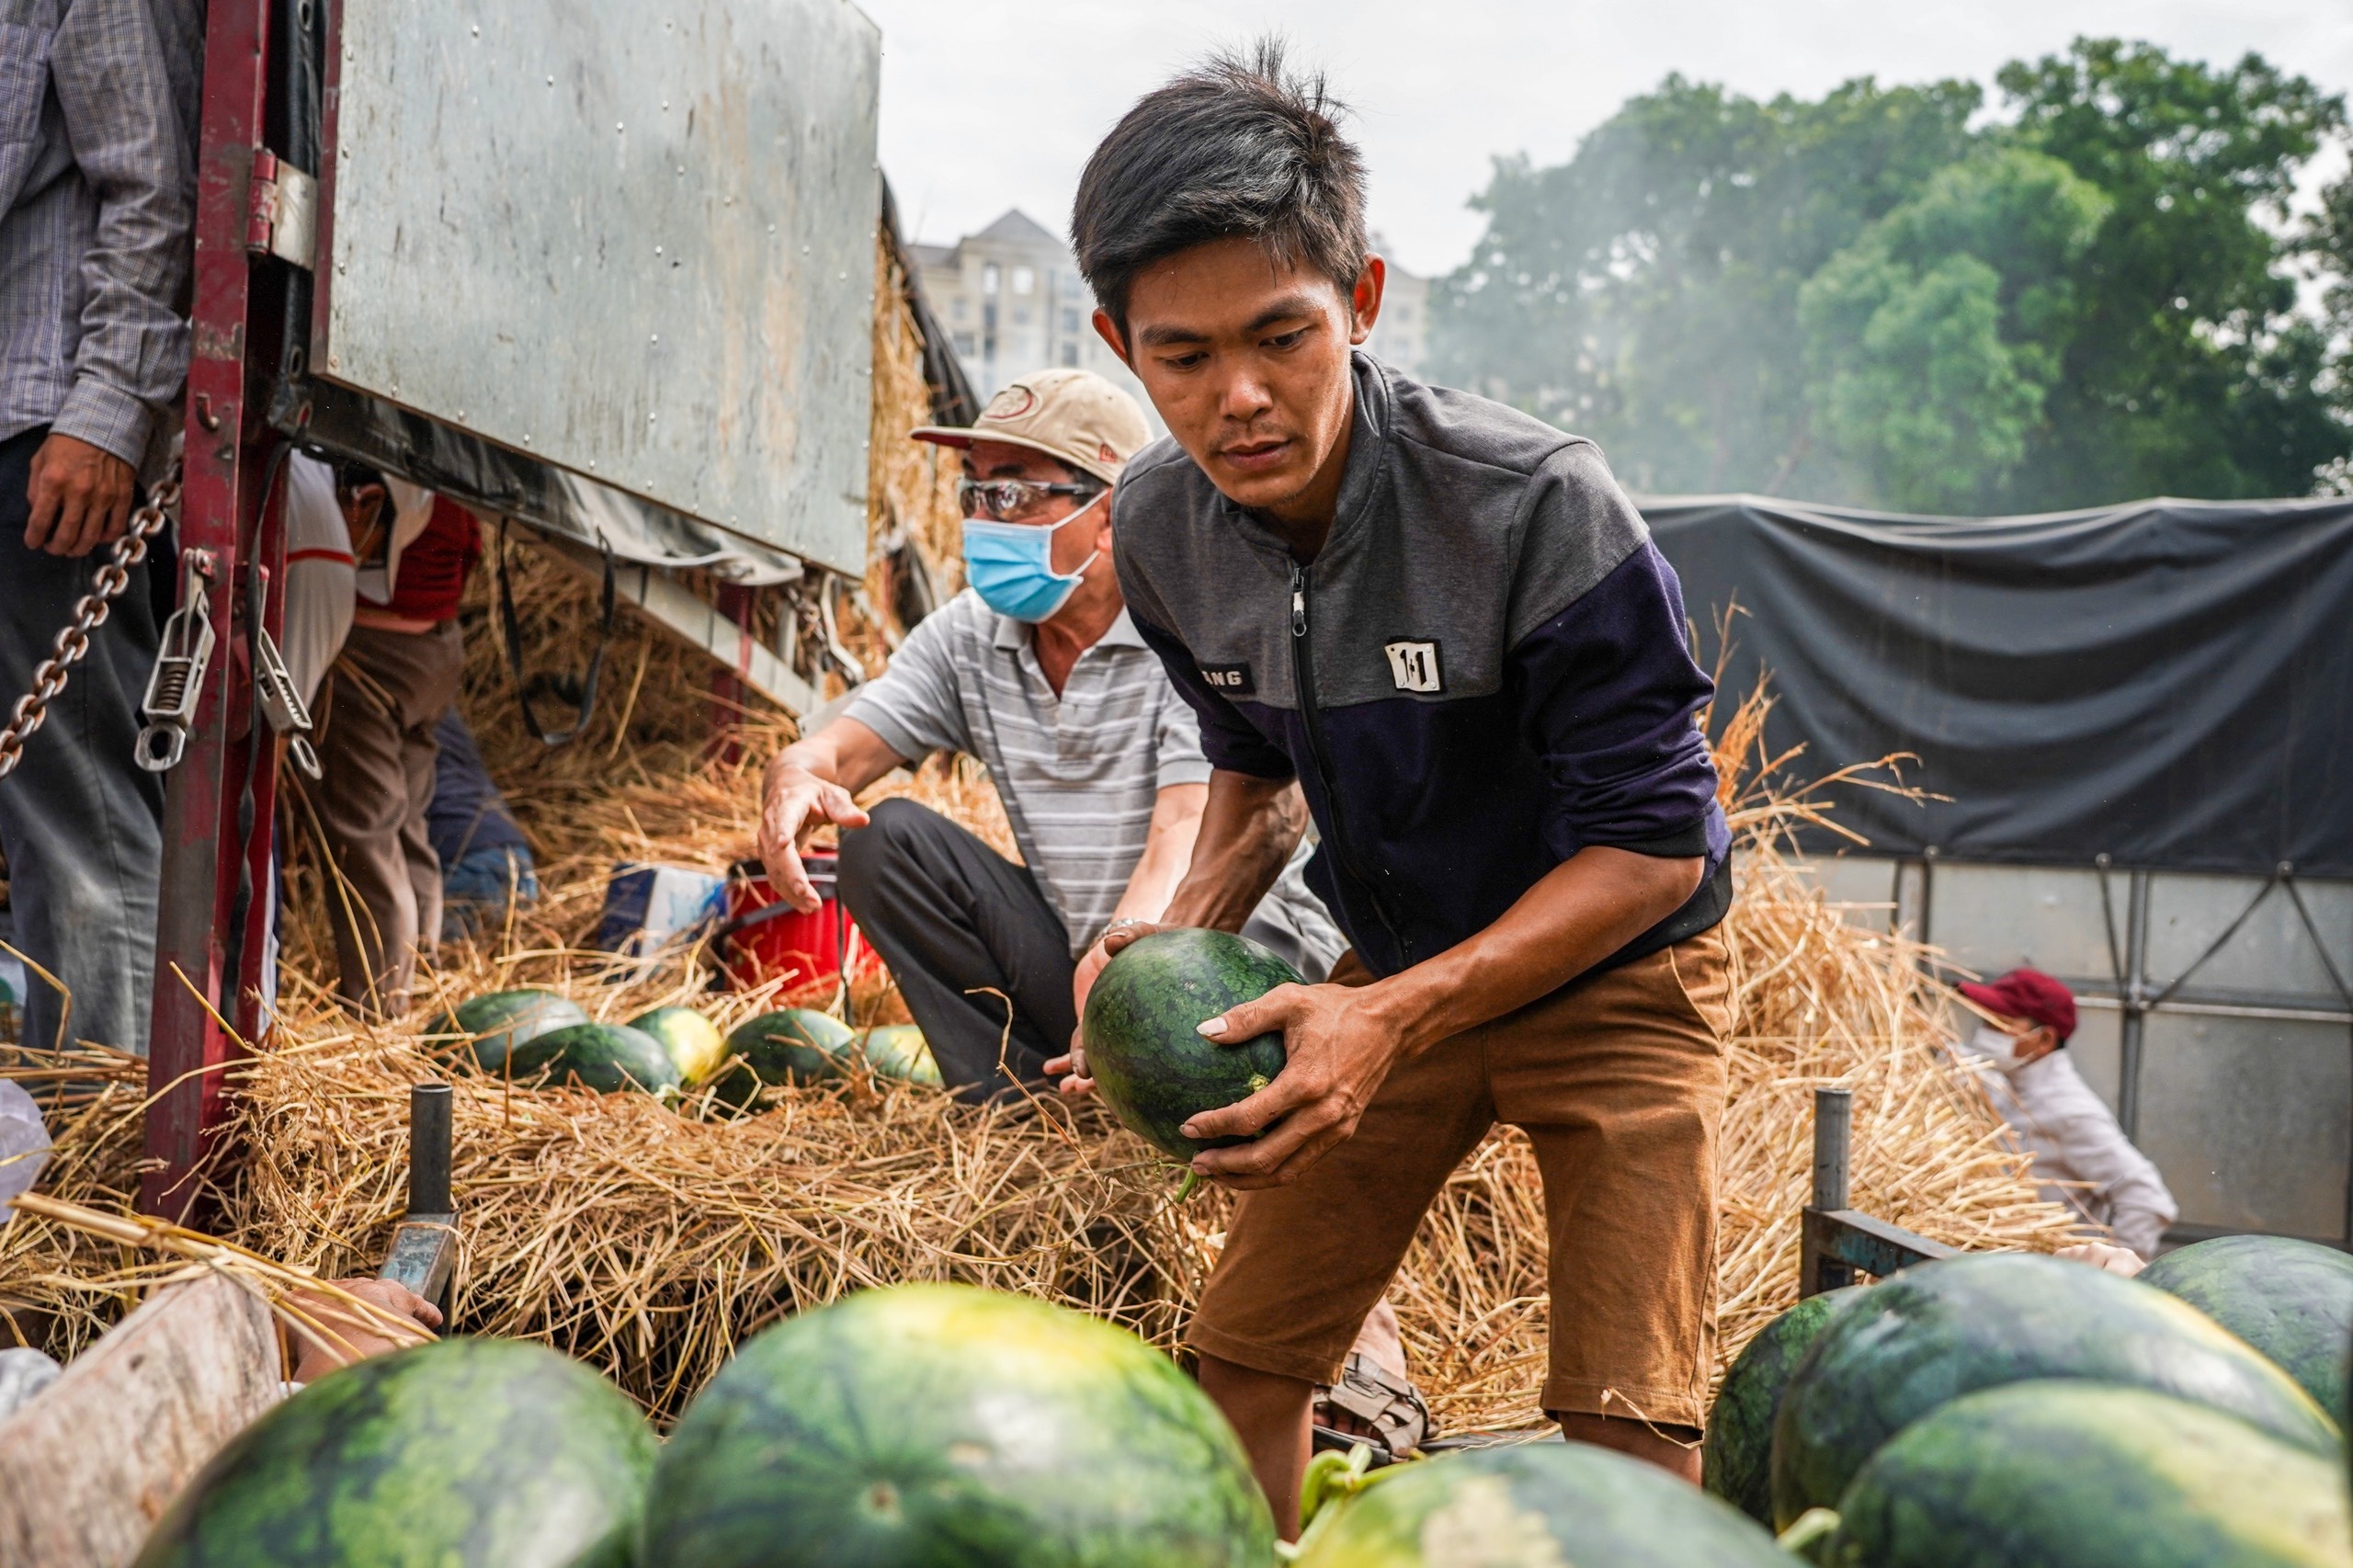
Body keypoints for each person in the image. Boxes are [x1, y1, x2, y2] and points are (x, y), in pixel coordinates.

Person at [1055, 46, 1736, 1530]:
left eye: (1281, 336)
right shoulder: (1162, 529)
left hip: (1618, 970)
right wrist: (1159, 949)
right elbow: (1252, 775)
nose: (1239, 395)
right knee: (1243, 1354)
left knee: (1622, 1415)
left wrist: (1395, 1011)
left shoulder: (1540, 505)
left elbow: (1657, 851)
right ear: (1121, 345)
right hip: (1396, 961)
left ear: (1358, 302)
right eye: (1183, 356)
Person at [755, 368, 1345, 1095]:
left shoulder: (1191, 627)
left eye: (1012, 493)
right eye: (973, 492)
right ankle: (1015, 1100)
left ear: (1111, 514)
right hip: (1084, 958)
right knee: (885, 841)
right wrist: (796, 776)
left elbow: (1188, 829)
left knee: (1204, 981)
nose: (981, 520)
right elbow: (840, 749)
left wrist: (1124, 957)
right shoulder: (971, 635)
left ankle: (1192, 1105)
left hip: (1228, 942)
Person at [0, 0, 205, 1057]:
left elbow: (155, 185)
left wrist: (108, 413)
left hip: (40, 433)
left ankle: (90, 1164)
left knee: (74, 819)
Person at [313, 463, 483, 1016]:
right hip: (435, 648)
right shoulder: (456, 465)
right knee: (406, 818)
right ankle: (419, 974)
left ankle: (378, 1006)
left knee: (365, 831)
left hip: (373, 655)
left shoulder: (382, 465)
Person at [1956, 966, 2178, 1260]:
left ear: (2044, 1040)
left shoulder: (2069, 1111)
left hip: (2050, 1278)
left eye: (1999, 1024)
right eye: (1984, 1021)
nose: (1985, 1033)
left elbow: (2149, 1201)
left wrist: (2102, 1276)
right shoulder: (2008, 1083)